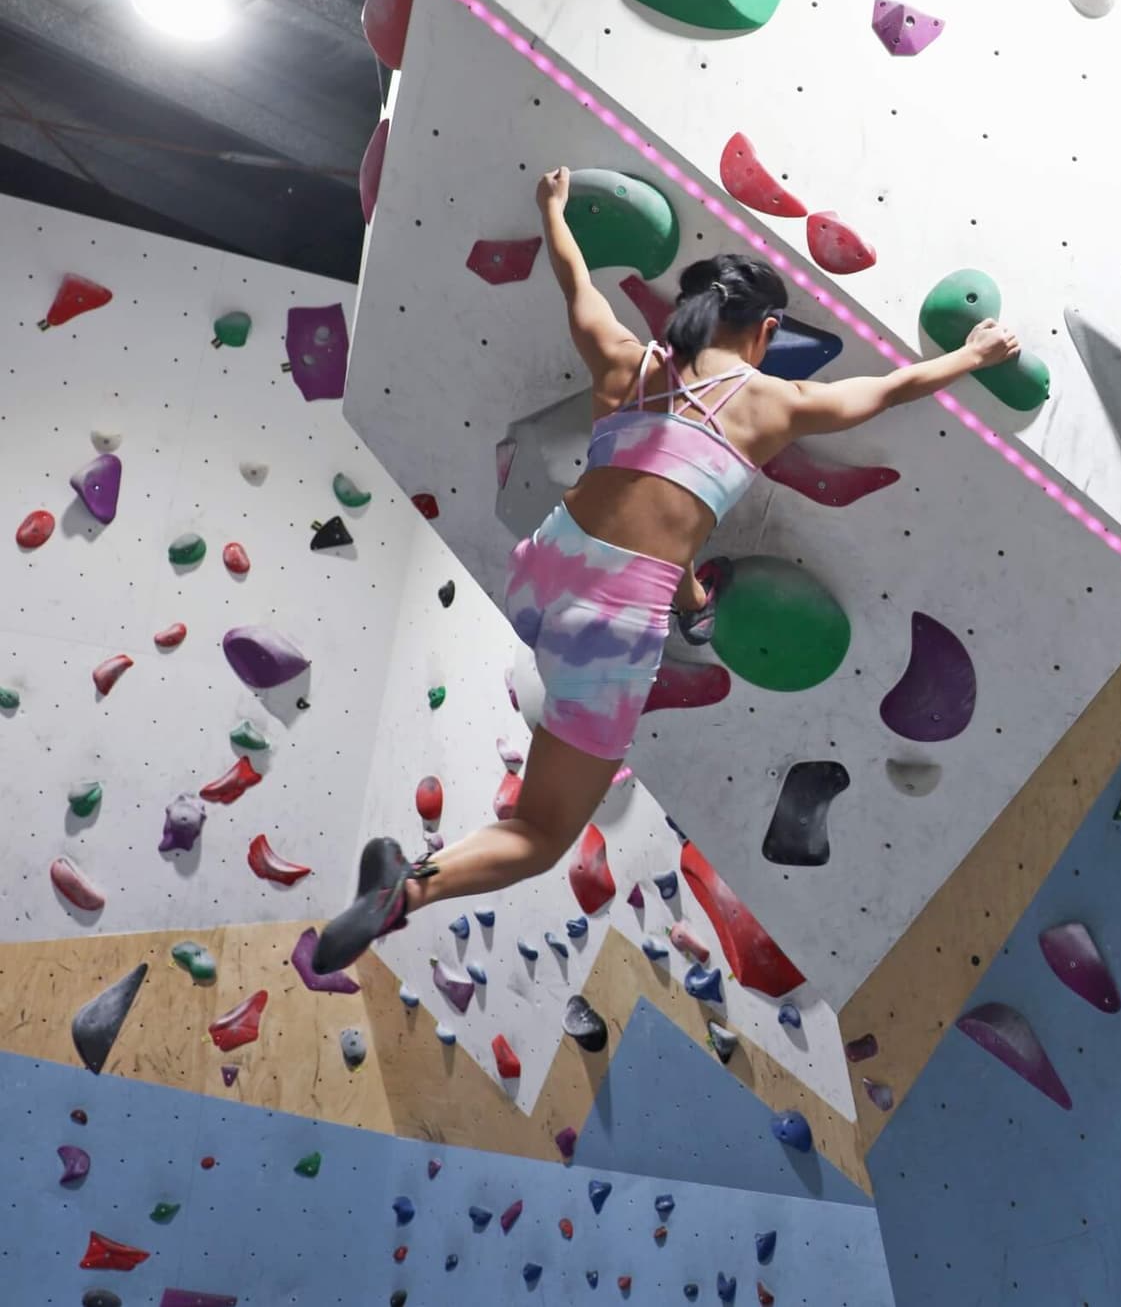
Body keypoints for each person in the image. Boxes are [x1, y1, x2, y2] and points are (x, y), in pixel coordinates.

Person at [312, 167, 1020, 972]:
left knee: (594, 657)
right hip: (608, 623)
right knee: (541, 834)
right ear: (764, 331)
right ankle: (406, 892)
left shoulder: (627, 360)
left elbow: (576, 281)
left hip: (546, 568)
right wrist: (974, 353)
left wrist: (552, 208)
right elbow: (888, 390)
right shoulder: (773, 404)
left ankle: (410, 875)